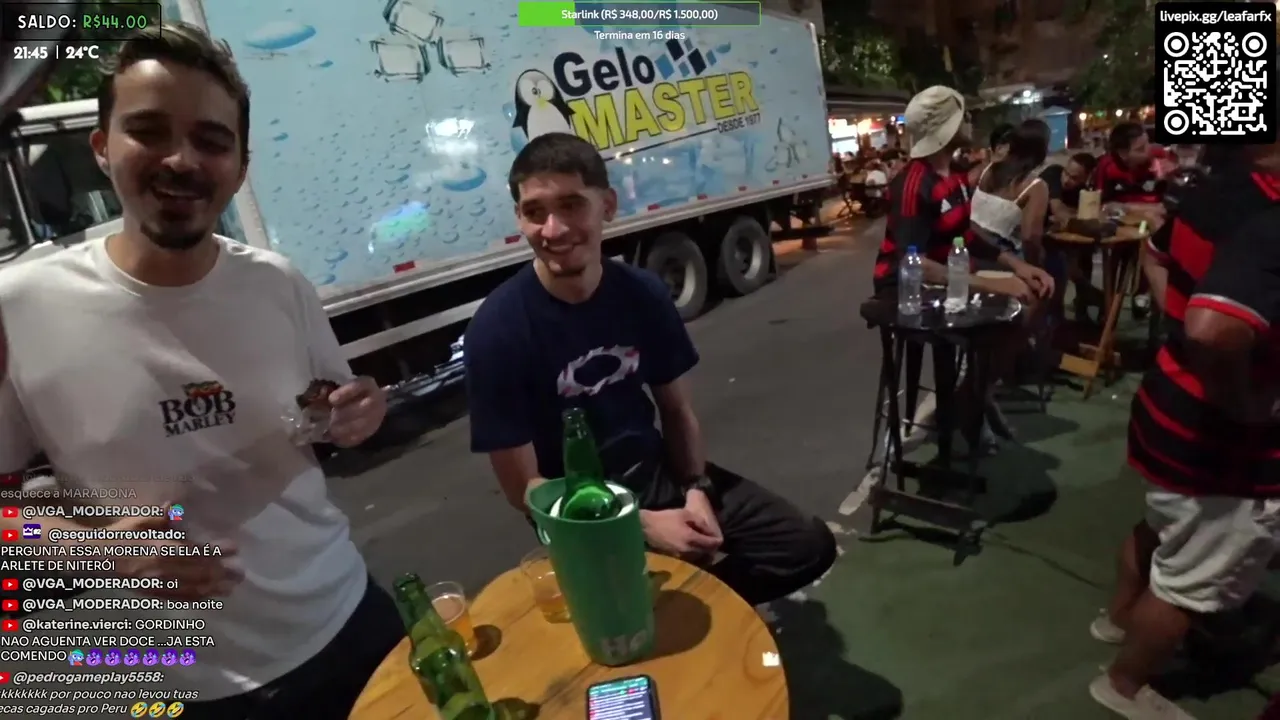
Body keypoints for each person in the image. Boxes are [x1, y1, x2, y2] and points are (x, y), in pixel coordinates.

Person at [0, 23, 398, 718]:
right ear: (101, 147)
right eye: (149, 131)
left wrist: (360, 413)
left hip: (351, 623)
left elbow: (332, 408)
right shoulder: (20, 308)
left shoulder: (278, 283)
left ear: (239, 168)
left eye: (212, 141)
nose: (182, 160)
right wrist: (96, 553)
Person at [464, 132, 837, 606]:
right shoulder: (496, 331)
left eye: (571, 205)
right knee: (622, 614)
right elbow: (524, 490)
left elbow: (677, 411)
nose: (553, 230)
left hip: (655, 475)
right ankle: (656, 608)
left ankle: (685, 605)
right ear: (519, 218)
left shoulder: (641, 293)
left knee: (806, 545)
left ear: (608, 206)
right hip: (577, 510)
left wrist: (695, 489)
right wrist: (640, 524)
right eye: (535, 212)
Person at [1089, 137, 1280, 719]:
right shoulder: (1268, 215)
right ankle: (1125, 684)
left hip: (1168, 405)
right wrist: (1241, 401)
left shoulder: (1212, 192)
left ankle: (1120, 620)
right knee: (1190, 584)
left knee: (1158, 528)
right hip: (1220, 440)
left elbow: (1155, 254)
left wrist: (1176, 318)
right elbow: (1212, 329)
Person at [873, 87, 1053, 305]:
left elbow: (966, 235)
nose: (969, 120)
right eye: (963, 116)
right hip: (906, 290)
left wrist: (1018, 265)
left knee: (1033, 288)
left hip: (949, 272)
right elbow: (914, 263)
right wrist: (993, 284)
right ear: (946, 128)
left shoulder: (957, 173)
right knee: (1017, 301)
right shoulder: (913, 184)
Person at [970, 119, 1051, 265]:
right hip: (998, 256)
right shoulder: (1036, 186)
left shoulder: (987, 169)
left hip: (969, 242)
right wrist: (1034, 266)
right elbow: (1030, 237)